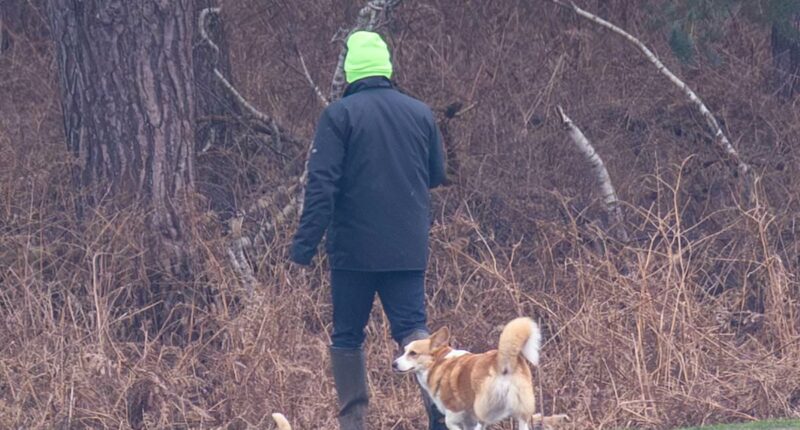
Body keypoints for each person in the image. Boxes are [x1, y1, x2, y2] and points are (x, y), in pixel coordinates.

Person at [289, 31, 447, 430]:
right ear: (387, 68)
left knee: (347, 337)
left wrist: (304, 246)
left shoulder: (339, 116)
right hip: (406, 250)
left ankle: (354, 422)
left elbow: (320, 186)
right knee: (413, 329)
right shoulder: (420, 113)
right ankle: (442, 415)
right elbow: (436, 174)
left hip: (353, 254)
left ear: (350, 71)